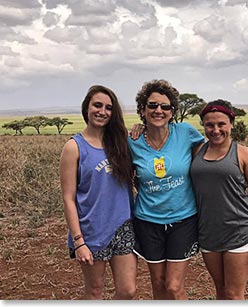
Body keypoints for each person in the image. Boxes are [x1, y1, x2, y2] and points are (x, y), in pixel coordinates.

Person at [128, 79, 205, 300]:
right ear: (142, 109)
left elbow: (207, 158)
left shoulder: (186, 133)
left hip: (183, 219)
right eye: (152, 105)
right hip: (148, 220)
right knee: (159, 284)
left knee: (173, 286)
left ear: (173, 112)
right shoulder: (132, 141)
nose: (158, 110)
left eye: (165, 106)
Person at [59, 85, 138, 299]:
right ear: (87, 107)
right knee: (94, 291)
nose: (102, 111)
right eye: (97, 105)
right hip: (91, 230)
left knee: (128, 290)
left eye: (108, 108)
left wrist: (141, 129)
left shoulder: (122, 143)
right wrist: (79, 242)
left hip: (123, 226)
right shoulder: (74, 147)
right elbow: (68, 198)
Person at [190, 99, 248, 300]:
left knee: (234, 295)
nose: (215, 130)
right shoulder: (197, 151)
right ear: (203, 126)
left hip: (239, 231)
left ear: (231, 124)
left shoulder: (244, 155)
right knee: (221, 291)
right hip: (208, 232)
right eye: (209, 125)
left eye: (221, 124)